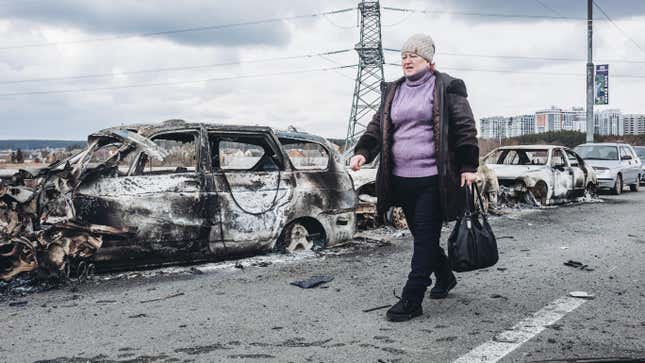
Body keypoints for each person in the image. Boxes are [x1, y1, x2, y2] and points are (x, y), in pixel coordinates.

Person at [350, 33, 479, 322]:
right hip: (399, 178)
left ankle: (412, 298)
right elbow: (377, 127)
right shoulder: (393, 90)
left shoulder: (447, 86)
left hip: (434, 178)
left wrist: (468, 164)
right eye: (404, 56)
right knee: (423, 236)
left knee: (423, 241)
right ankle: (445, 277)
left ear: (429, 60)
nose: (407, 60)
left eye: (414, 55)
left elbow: (464, 127)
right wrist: (363, 152)